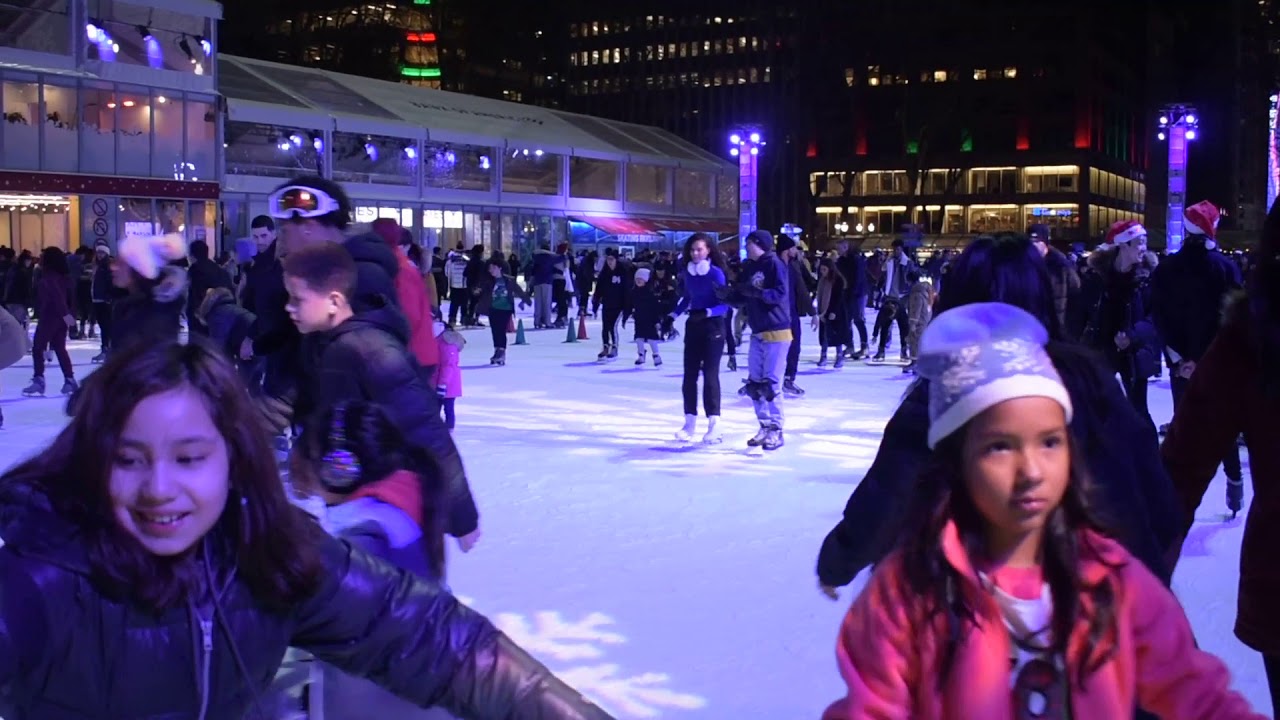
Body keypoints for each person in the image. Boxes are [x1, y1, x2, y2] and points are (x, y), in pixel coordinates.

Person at [0, 339, 613, 718]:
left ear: (233, 459)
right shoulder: (43, 571)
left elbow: (433, 638)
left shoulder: (269, 552)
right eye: (129, 459)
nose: (159, 488)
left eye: (189, 458)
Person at [823, 303, 1264, 720]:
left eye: (1049, 441)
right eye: (1000, 446)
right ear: (955, 458)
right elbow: (873, 705)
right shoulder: (909, 592)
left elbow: (1195, 693)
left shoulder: (1115, 581)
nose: (1031, 470)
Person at [816, 233, 1182, 599]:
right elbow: (1158, 497)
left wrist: (840, 559)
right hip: (1116, 604)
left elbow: (891, 492)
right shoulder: (1090, 377)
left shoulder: (952, 385)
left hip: (1009, 611)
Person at [281, 242, 481, 551]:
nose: (289, 308)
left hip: (388, 511)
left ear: (334, 301)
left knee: (396, 592)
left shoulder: (368, 350)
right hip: (352, 503)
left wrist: (461, 515)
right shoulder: (325, 345)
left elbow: (425, 427)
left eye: (297, 299)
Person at [1162, 197, 1280, 715]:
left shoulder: (1254, 331)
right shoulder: (1251, 332)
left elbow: (1182, 466)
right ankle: (1234, 479)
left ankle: (1234, 479)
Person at [726, 230, 791, 451]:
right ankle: (763, 425)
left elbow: (781, 293)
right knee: (755, 383)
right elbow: (744, 294)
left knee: (771, 383)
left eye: (749, 244)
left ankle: (776, 428)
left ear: (760, 245)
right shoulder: (749, 266)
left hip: (778, 331)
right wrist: (729, 296)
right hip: (758, 332)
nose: (746, 247)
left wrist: (757, 294)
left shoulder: (775, 264)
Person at [669, 234, 729, 444]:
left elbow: (726, 304)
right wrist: (673, 315)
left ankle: (715, 424)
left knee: (710, 375)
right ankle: (689, 422)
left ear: (708, 251)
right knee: (689, 376)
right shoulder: (688, 272)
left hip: (713, 327)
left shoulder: (716, 274)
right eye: (692, 250)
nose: (695, 253)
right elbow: (687, 297)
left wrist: (708, 312)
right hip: (694, 325)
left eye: (699, 250)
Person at [22, 247, 78, 397]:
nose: (40, 258)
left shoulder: (49, 277)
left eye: (43, 256)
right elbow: (70, 298)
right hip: (60, 318)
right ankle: (69, 378)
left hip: (50, 316)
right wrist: (69, 316)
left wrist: (66, 314)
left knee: (38, 347)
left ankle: (39, 378)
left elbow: (57, 297)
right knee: (60, 348)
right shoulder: (65, 277)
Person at [475, 256, 530, 366]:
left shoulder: (509, 280)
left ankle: (501, 351)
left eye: (493, 268)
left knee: (501, 330)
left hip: (506, 309)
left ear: (499, 268)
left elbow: (518, 290)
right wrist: (477, 291)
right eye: (490, 269)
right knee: (495, 331)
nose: (491, 271)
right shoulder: (488, 281)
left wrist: (525, 301)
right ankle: (497, 350)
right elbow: (482, 292)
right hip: (493, 308)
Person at [626, 266, 663, 367]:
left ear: (646, 280)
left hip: (650, 319)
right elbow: (630, 304)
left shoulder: (651, 293)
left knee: (652, 338)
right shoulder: (634, 292)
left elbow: (656, 307)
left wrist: (657, 320)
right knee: (639, 338)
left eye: (641, 279)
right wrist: (628, 313)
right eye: (637, 279)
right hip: (639, 318)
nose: (638, 281)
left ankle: (656, 355)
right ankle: (641, 355)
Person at [434, 320, 464, 429]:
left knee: (447, 408)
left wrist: (443, 384)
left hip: (448, 384)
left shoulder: (447, 343)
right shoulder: (439, 341)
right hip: (439, 382)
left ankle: (449, 428)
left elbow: (448, 365)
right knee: (436, 408)